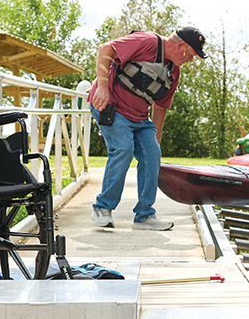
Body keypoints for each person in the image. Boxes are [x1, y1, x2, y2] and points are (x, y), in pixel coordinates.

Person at [88, 27, 206, 230]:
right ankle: (102, 208)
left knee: (152, 154)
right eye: (192, 55)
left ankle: (144, 215)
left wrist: (155, 142)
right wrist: (103, 86)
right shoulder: (147, 41)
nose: (191, 61)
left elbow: (160, 108)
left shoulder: (173, 72)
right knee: (123, 149)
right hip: (111, 106)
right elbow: (105, 49)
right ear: (181, 46)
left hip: (140, 117)